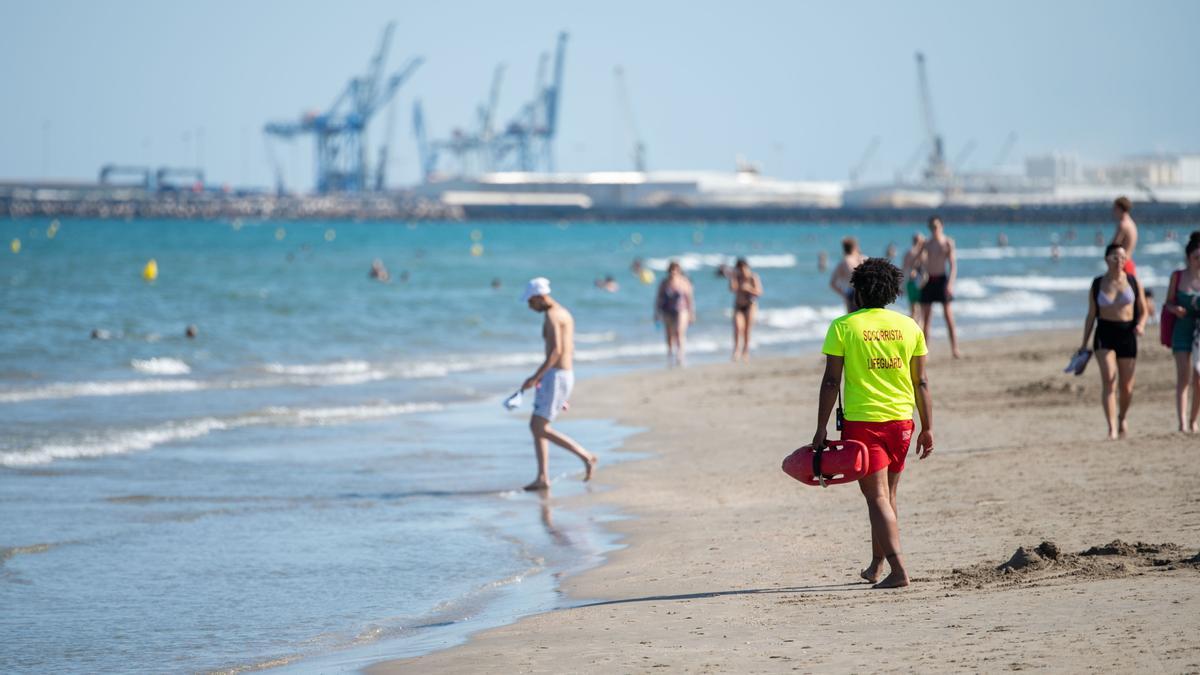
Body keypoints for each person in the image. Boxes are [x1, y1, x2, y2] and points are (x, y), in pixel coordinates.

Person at [812, 257, 934, 589]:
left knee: (876, 497)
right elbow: (921, 382)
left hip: (865, 424)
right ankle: (877, 564)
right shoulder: (910, 327)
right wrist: (927, 427)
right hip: (902, 423)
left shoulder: (844, 327)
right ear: (892, 292)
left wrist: (821, 427)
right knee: (888, 495)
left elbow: (830, 382)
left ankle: (898, 570)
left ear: (859, 293)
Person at [519, 277, 598, 490]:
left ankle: (586, 455)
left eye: (531, 301)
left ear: (540, 297)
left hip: (557, 375)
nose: (530, 306)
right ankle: (542, 477)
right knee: (539, 426)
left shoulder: (553, 316)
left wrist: (535, 377)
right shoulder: (563, 312)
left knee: (538, 426)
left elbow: (557, 352)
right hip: (559, 375)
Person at [1079, 244, 1148, 439]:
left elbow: (1143, 311)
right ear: (1106, 259)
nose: (1119, 262)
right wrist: (1084, 343)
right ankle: (1111, 428)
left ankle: (1122, 417)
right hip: (1104, 333)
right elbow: (1091, 315)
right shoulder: (1098, 283)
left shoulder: (1133, 282)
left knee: (1126, 387)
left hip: (1128, 334)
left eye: (1123, 258)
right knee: (1109, 379)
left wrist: (1141, 325)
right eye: (1115, 258)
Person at [1164, 232, 1200, 433]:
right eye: (1196, 257)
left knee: (1199, 377)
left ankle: (1194, 419)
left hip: (1199, 334)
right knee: (1183, 377)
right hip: (1182, 330)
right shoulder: (1178, 276)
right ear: (1188, 257)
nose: (1199, 261)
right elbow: (1168, 302)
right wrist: (1175, 309)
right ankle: (1182, 423)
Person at [918, 216, 962, 358]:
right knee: (926, 318)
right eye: (931, 227)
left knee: (948, 316)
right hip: (929, 281)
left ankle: (955, 348)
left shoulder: (947, 243)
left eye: (936, 226)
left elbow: (953, 265)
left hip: (942, 280)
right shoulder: (927, 243)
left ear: (941, 226)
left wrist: (950, 284)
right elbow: (917, 261)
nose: (934, 229)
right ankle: (924, 351)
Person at [655, 261, 695, 367]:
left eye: (675, 269)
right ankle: (670, 354)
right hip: (667, 311)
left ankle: (680, 355)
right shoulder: (664, 283)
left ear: (679, 270)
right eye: (672, 269)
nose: (673, 272)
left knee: (679, 333)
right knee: (669, 335)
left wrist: (692, 313)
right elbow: (658, 298)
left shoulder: (684, 282)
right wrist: (656, 313)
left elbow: (690, 299)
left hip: (682, 310)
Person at [729, 258, 763, 362]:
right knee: (737, 328)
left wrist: (748, 288)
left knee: (747, 329)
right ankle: (736, 350)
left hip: (750, 305)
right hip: (738, 306)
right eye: (739, 269)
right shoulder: (737, 278)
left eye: (743, 268)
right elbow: (732, 289)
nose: (742, 271)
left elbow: (760, 292)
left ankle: (746, 351)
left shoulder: (753, 277)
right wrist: (733, 277)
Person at [830, 237, 865, 313]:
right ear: (855, 247)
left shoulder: (844, 262)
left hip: (852, 293)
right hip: (866, 293)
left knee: (852, 320)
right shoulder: (864, 258)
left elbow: (832, 283)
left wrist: (844, 293)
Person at [1110, 196, 1139, 276]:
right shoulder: (1132, 223)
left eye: (1115, 208)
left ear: (1120, 208)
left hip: (1122, 265)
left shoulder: (1123, 225)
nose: (1113, 211)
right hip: (1129, 262)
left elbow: (1114, 247)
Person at [901, 233, 926, 321]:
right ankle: (917, 329)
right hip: (917, 283)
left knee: (914, 308)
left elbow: (904, 269)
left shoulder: (908, 252)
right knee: (917, 309)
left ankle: (914, 327)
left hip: (911, 282)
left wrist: (901, 284)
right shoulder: (919, 253)